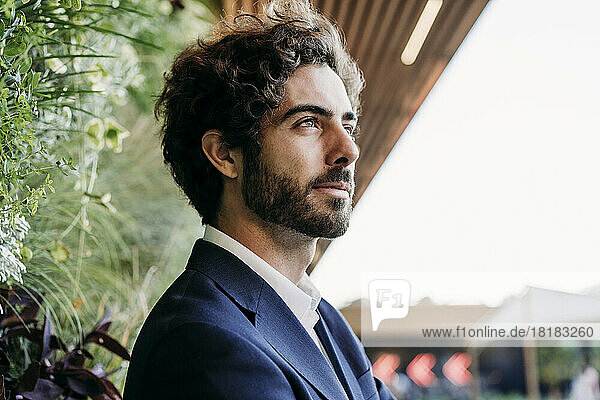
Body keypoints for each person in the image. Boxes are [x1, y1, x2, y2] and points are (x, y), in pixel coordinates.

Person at [123, 0, 396, 398]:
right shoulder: (200, 340)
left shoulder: (324, 322)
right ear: (226, 154)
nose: (348, 150)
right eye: (308, 123)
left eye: (347, 124)